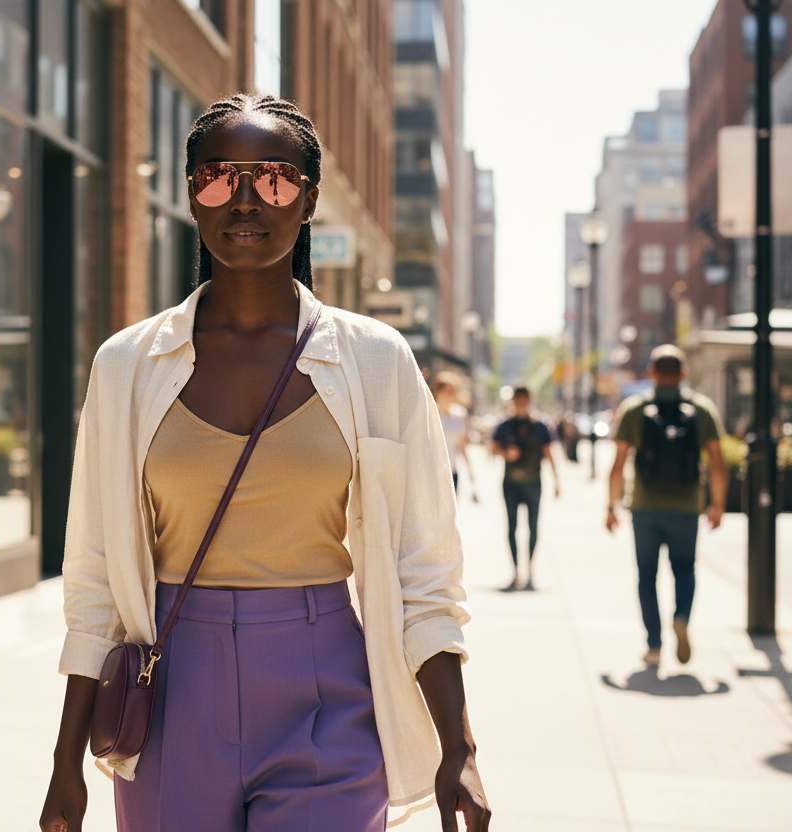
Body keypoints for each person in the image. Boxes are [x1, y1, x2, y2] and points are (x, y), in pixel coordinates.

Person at [40, 93, 489, 832]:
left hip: (326, 685)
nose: (245, 199)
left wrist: (458, 748)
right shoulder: (128, 365)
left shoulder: (375, 361)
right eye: (219, 177)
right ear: (192, 195)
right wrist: (65, 765)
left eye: (274, 179)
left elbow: (424, 569)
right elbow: (92, 578)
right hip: (172, 687)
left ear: (308, 199)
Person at [605, 345, 726, 666]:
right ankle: (682, 616)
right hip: (687, 506)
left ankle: (654, 646)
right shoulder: (701, 409)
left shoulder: (634, 409)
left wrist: (611, 506)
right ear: (683, 373)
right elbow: (717, 461)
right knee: (685, 569)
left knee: (647, 577)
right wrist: (717, 504)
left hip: (644, 506)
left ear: (652, 373)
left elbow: (618, 463)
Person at [490, 386, 559, 591]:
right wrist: (505, 453)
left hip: (533, 483)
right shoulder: (505, 425)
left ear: (530, 400)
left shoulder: (539, 426)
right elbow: (493, 446)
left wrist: (557, 481)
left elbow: (548, 453)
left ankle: (529, 571)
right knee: (511, 528)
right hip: (511, 484)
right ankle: (516, 572)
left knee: (533, 528)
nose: (520, 402)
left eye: (524, 399)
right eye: (517, 399)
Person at [432, 372, 476, 499]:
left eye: (452, 391)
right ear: (437, 391)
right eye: (446, 391)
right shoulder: (429, 413)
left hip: (452, 470)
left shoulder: (460, 415)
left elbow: (462, 446)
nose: (450, 395)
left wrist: (470, 470)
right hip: (431, 471)